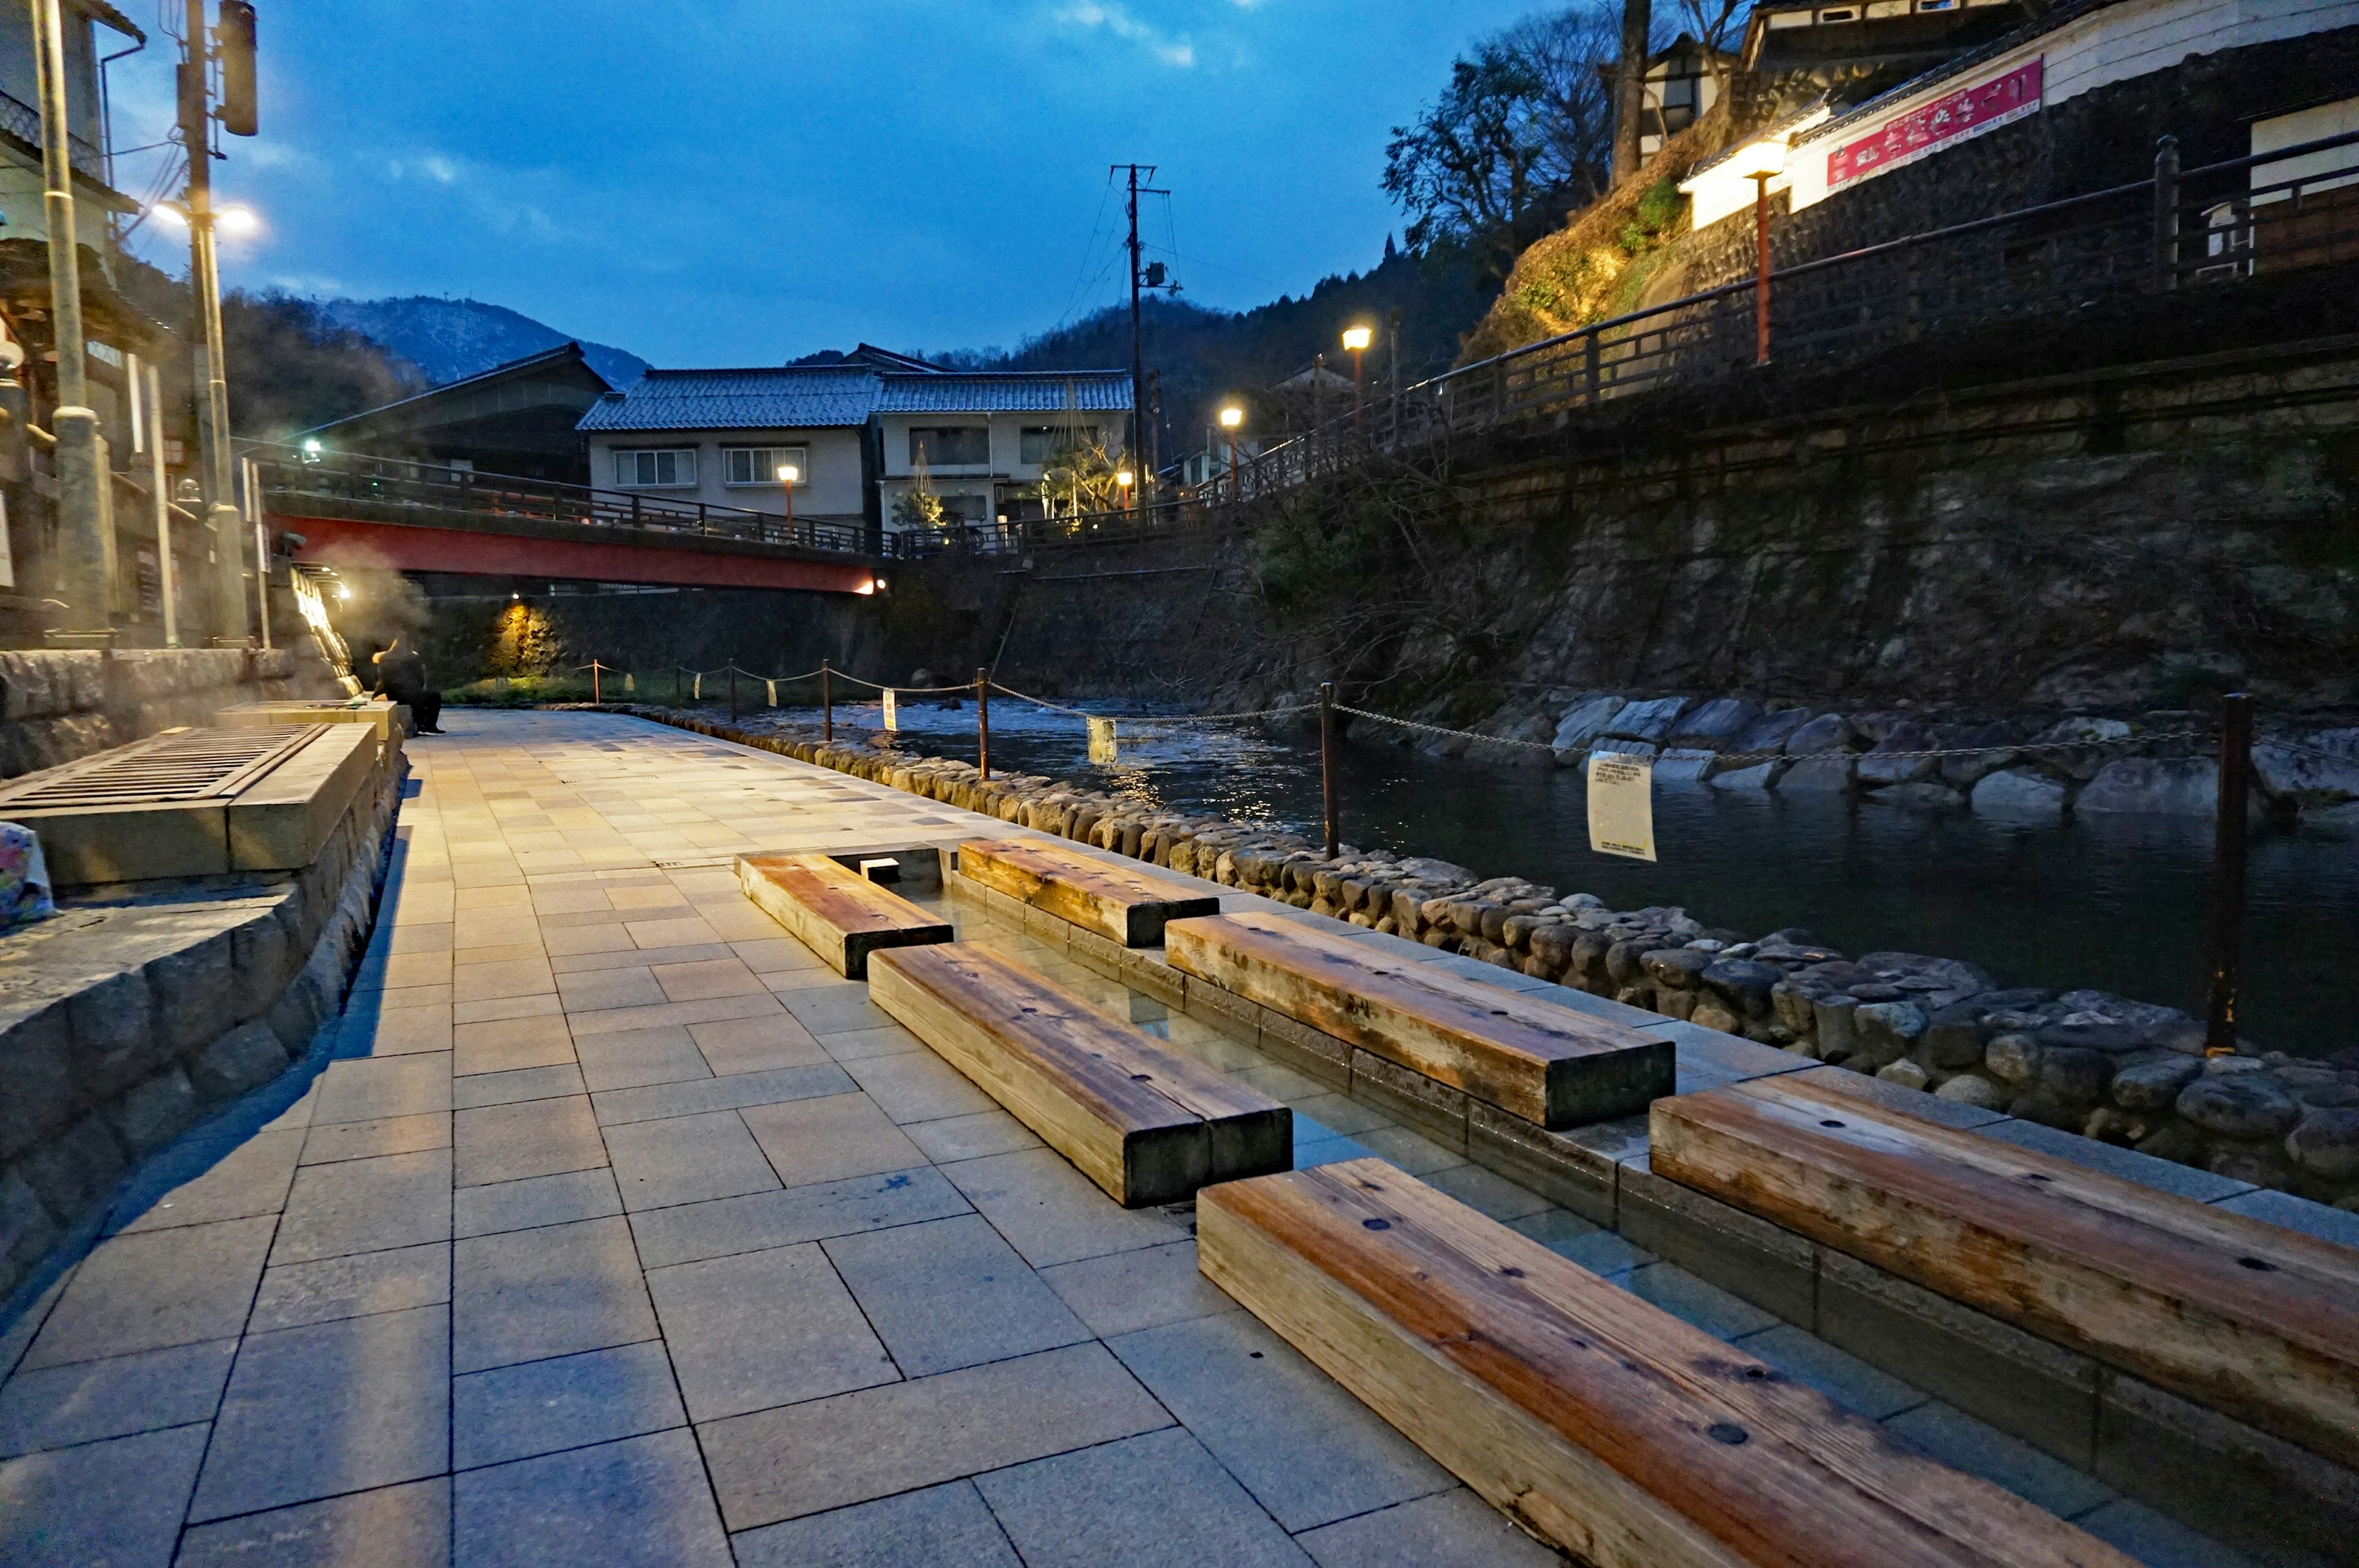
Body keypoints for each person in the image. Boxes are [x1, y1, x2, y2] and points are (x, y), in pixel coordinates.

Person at [371, 634, 444, 735]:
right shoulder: (413, 657)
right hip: (409, 694)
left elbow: (381, 677)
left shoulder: (383, 657)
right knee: (434, 697)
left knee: (417, 697)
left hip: (390, 694)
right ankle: (430, 725)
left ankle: (421, 724)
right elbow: (420, 679)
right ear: (410, 645)